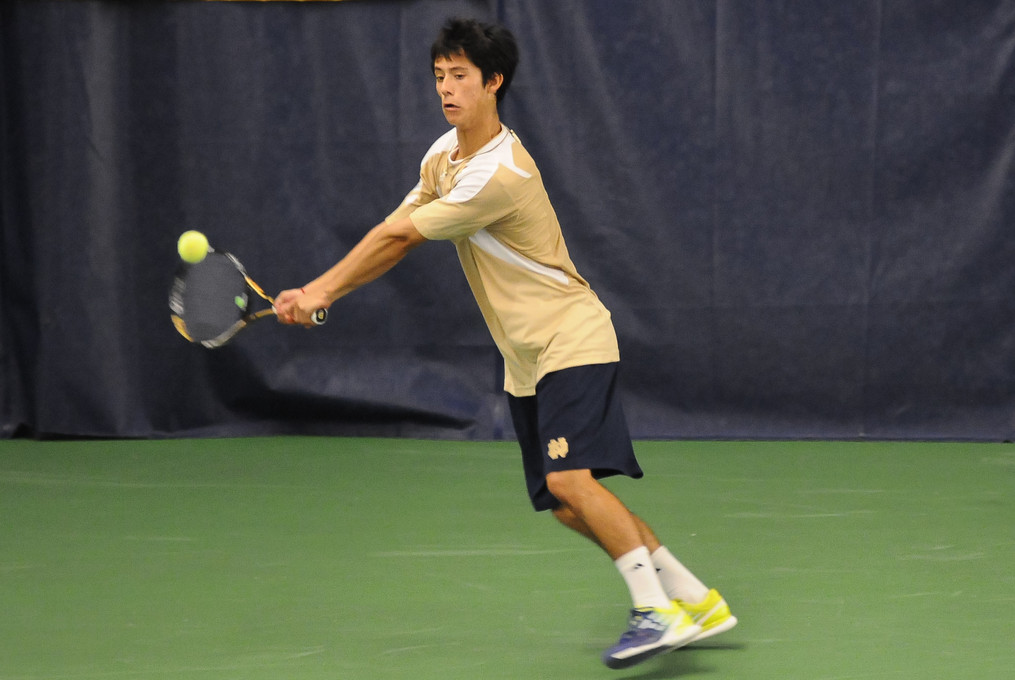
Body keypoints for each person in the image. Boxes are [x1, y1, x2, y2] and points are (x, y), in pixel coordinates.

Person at [274, 17, 736, 670]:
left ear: (493, 82)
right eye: (439, 76)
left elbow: (401, 239)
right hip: (528, 360)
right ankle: (693, 597)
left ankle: (653, 609)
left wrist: (318, 290)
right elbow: (392, 230)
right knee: (565, 506)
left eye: (460, 76)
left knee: (569, 478)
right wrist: (326, 291)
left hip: (571, 338)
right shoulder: (442, 157)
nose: (446, 88)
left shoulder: (500, 174)